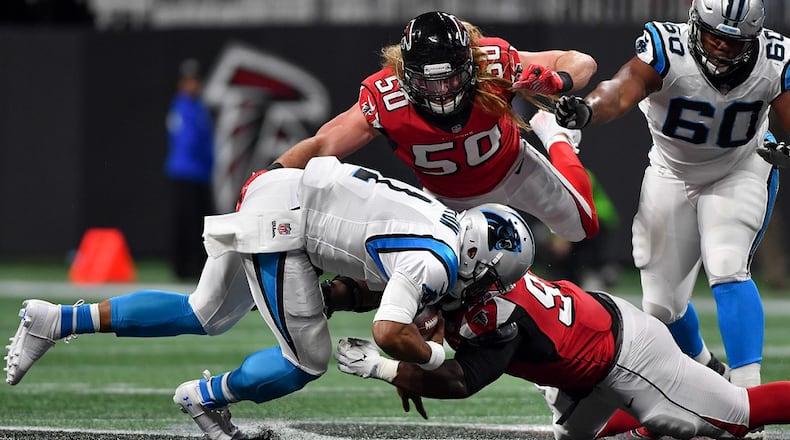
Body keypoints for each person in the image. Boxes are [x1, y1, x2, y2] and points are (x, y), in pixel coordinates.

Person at [4, 156, 535, 440]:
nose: (488, 287)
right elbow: (386, 332)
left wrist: (343, 301)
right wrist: (432, 355)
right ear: (476, 253)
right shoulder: (438, 260)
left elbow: (358, 280)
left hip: (278, 192)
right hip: (288, 225)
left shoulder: (441, 225)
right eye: (492, 276)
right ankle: (204, 397)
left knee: (205, 312)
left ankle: (56, 320)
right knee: (309, 360)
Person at [552, 0, 790, 402]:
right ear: (696, 24)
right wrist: (588, 110)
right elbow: (620, 89)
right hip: (671, 173)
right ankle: (708, 370)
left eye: (735, 43)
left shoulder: (775, 57)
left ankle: (750, 392)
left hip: (741, 167)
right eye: (715, 37)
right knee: (662, 307)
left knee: (727, 262)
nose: (722, 49)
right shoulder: (667, 46)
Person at [335, 269, 790, 440]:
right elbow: (406, 287)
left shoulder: (496, 316)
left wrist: (382, 367)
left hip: (629, 356)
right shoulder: (468, 278)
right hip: (584, 362)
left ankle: (664, 413)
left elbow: (461, 380)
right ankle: (650, 423)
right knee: (572, 439)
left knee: (738, 416)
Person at [272, 11, 600, 244]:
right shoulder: (386, 97)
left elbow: (581, 61)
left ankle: (557, 136)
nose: (443, 90)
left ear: (470, 64)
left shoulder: (492, 61)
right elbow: (322, 145)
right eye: (430, 82)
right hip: (447, 200)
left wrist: (559, 80)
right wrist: (265, 178)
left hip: (515, 168)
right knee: (442, 287)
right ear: (405, 73)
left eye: (452, 78)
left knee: (582, 228)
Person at [165, 58, 216, 281]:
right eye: (189, 81)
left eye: (195, 80)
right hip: (186, 172)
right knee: (187, 221)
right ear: (181, 83)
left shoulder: (197, 107)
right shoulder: (183, 106)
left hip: (199, 173)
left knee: (198, 220)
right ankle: (183, 266)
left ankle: (195, 264)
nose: (193, 85)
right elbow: (190, 142)